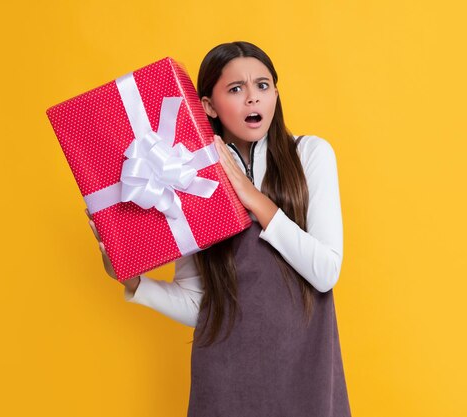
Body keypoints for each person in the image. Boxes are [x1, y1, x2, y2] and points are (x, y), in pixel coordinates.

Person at [86, 41, 352, 417]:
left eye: (262, 86)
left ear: (276, 93)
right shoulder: (189, 177)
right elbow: (202, 305)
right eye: (236, 89)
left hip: (305, 371)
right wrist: (134, 284)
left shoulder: (310, 155)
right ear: (208, 105)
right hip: (226, 380)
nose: (253, 99)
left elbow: (325, 272)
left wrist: (251, 198)